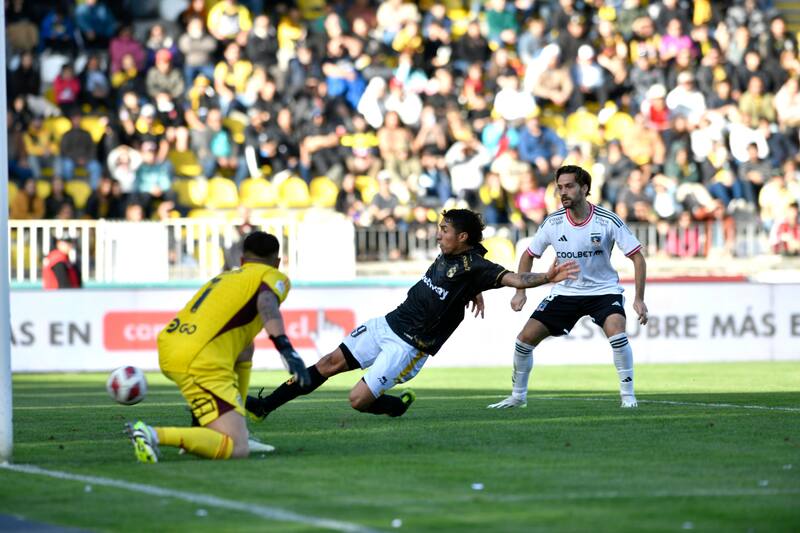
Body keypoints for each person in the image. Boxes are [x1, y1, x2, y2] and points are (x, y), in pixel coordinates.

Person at [246, 209, 579, 421]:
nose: (438, 234)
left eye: (444, 230)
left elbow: (515, 279)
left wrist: (548, 277)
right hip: (387, 323)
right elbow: (458, 282)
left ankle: (393, 405)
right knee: (326, 364)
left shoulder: (477, 265)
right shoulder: (453, 258)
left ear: (462, 237)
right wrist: (472, 291)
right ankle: (266, 405)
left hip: (409, 346)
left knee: (357, 400)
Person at [125, 232, 311, 462]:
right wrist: (287, 350)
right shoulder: (273, 275)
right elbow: (266, 303)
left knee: (245, 347)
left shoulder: (224, 278)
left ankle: (230, 422)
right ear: (277, 262)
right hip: (200, 359)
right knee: (236, 448)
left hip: (173, 344)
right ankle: (152, 434)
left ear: (242, 261)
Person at [487, 165, 649, 410]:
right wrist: (520, 291)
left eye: (569, 186)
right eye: (559, 187)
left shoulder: (607, 220)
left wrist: (639, 298)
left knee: (617, 333)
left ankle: (628, 396)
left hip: (603, 291)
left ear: (584, 188)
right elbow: (528, 255)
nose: (563, 192)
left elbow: (637, 257)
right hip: (566, 292)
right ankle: (518, 397)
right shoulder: (553, 223)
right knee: (523, 340)